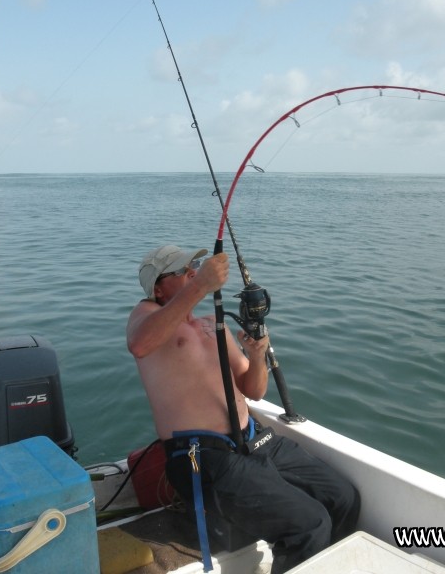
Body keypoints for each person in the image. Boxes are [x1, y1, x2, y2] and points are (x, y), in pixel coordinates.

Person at [127, 244, 360, 573]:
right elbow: (140, 344)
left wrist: (256, 355)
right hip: (203, 458)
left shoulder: (211, 323)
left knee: (343, 496)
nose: (194, 271)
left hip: (253, 440)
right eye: (183, 270)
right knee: (308, 524)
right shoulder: (145, 316)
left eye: (196, 265)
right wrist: (201, 285)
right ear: (158, 286)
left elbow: (254, 390)